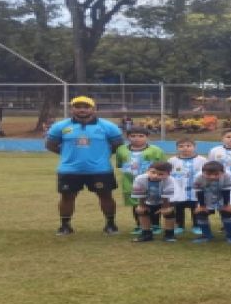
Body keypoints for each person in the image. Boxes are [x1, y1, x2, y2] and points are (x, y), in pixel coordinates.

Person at [45, 96, 125, 236]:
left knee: (106, 196)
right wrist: (68, 155)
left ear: (93, 109)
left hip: (100, 169)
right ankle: (65, 226)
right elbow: (50, 145)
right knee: (67, 197)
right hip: (69, 169)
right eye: (78, 106)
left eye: (86, 107)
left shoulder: (108, 126)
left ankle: (110, 225)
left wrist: (102, 155)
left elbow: (118, 145)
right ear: (72, 109)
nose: (82, 110)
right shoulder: (60, 126)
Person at [115, 127, 167, 234]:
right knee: (136, 204)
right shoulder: (121, 150)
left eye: (140, 136)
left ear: (147, 137)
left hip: (152, 182)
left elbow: (163, 166)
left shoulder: (156, 150)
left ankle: (155, 225)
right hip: (130, 182)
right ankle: (140, 225)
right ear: (128, 137)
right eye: (133, 136)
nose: (136, 138)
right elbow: (120, 164)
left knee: (154, 203)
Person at [129, 161, 178, 243]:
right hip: (148, 200)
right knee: (141, 211)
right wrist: (142, 206)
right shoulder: (140, 179)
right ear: (148, 171)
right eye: (153, 172)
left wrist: (165, 208)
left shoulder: (170, 181)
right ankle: (146, 234)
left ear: (168, 174)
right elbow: (141, 195)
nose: (155, 176)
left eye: (161, 174)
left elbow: (166, 197)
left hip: (167, 201)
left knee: (169, 212)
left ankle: (169, 234)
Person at [192, 160, 231, 244]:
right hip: (207, 196)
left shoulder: (227, 176)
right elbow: (199, 192)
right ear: (203, 173)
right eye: (208, 174)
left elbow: (226, 191)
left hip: (223, 196)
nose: (212, 177)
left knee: (226, 213)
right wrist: (202, 206)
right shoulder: (198, 177)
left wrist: (226, 205)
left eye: (216, 174)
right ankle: (206, 235)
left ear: (222, 173)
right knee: (201, 213)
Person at [168, 138, 206, 235]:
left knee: (196, 209)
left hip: (196, 191)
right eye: (181, 146)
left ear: (194, 147)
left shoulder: (202, 160)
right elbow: (168, 175)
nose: (185, 148)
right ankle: (180, 225)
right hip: (179, 191)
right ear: (177, 148)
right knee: (178, 209)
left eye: (188, 146)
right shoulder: (172, 161)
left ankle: (197, 225)